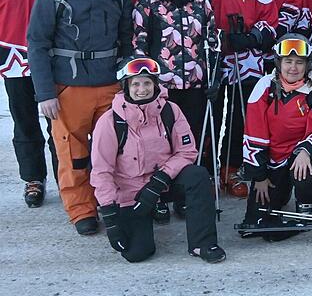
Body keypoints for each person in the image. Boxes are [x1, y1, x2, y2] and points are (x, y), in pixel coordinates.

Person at [27, 0, 133, 235]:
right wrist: (44, 92)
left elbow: (126, 38)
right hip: (68, 86)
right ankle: (81, 209)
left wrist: (127, 81)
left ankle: (113, 202)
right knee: (73, 153)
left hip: (110, 85)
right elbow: (37, 41)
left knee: (115, 149)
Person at [89, 56, 224, 263]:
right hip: (132, 190)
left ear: (155, 84)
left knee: (197, 175)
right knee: (137, 253)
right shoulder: (110, 121)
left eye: (147, 83)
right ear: (126, 86)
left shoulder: (170, 110)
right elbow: (101, 171)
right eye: (135, 84)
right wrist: (110, 216)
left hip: (164, 182)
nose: (142, 89)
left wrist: (159, 180)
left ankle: (202, 243)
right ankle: (143, 219)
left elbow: (187, 151)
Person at [193, 0, 277, 198]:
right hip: (210, 59)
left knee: (241, 116)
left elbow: (270, 18)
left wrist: (254, 36)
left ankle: (233, 167)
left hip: (246, 59)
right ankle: (207, 170)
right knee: (210, 114)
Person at [241, 34, 312, 239]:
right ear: (279, 62)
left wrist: (305, 151)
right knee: (256, 225)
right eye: (288, 62)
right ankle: (280, 197)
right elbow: (253, 133)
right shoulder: (264, 86)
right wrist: (260, 176)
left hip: (301, 156)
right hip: (273, 159)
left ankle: (306, 205)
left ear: (307, 64)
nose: (293, 68)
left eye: (299, 62)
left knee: (306, 170)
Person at [133, 0, 216, 165]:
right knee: (163, 136)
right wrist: (144, 82)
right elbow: (139, 42)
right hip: (162, 85)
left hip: (195, 83)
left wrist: (213, 77)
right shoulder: (147, 1)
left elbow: (211, 38)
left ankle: (194, 178)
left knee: (193, 134)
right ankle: (165, 181)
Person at [0, 0, 58, 207]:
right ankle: (33, 177)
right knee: (24, 122)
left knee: (58, 122)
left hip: (50, 58)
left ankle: (66, 176)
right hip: (13, 57)